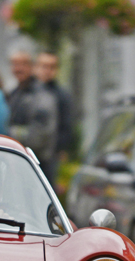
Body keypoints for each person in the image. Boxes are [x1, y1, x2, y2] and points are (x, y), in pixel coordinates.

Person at [7, 51, 58, 184]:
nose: (18, 68)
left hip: (38, 165)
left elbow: (38, 135)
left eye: (23, 64)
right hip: (19, 162)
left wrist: (9, 133)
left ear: (32, 67)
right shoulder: (15, 93)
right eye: (15, 64)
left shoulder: (41, 95)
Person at [35, 52, 74, 190]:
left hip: (51, 153)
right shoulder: (28, 92)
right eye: (44, 66)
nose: (48, 71)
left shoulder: (61, 96)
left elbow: (66, 125)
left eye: (52, 67)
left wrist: (61, 149)